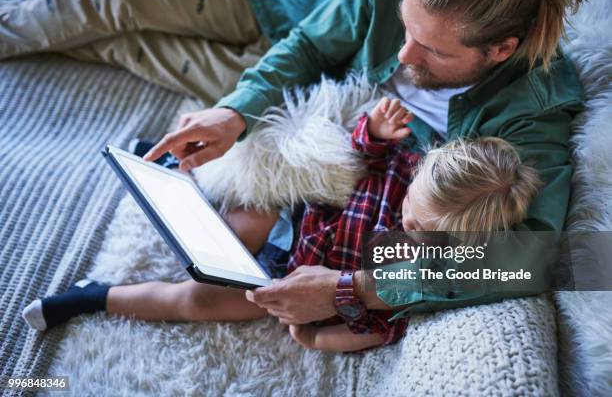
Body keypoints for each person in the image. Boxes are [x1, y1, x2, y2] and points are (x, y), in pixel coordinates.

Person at [6, 0, 585, 333]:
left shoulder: (534, 110)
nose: (402, 54)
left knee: (130, 40)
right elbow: (311, 46)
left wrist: (356, 288)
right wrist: (236, 113)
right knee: (118, 5)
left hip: (339, 181)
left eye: (432, 49)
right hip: (315, 103)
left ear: (500, 49)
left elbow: (533, 257)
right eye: (405, 29)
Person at [22, 97, 542, 354]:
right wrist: (375, 131)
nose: (405, 224)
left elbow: (380, 331)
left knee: (201, 299)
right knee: (233, 211)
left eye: (422, 233)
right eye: (410, 208)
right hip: (296, 213)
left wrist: (315, 340)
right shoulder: (410, 173)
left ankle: (96, 296)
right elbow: (357, 156)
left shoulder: (413, 283)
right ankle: (170, 173)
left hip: (286, 276)